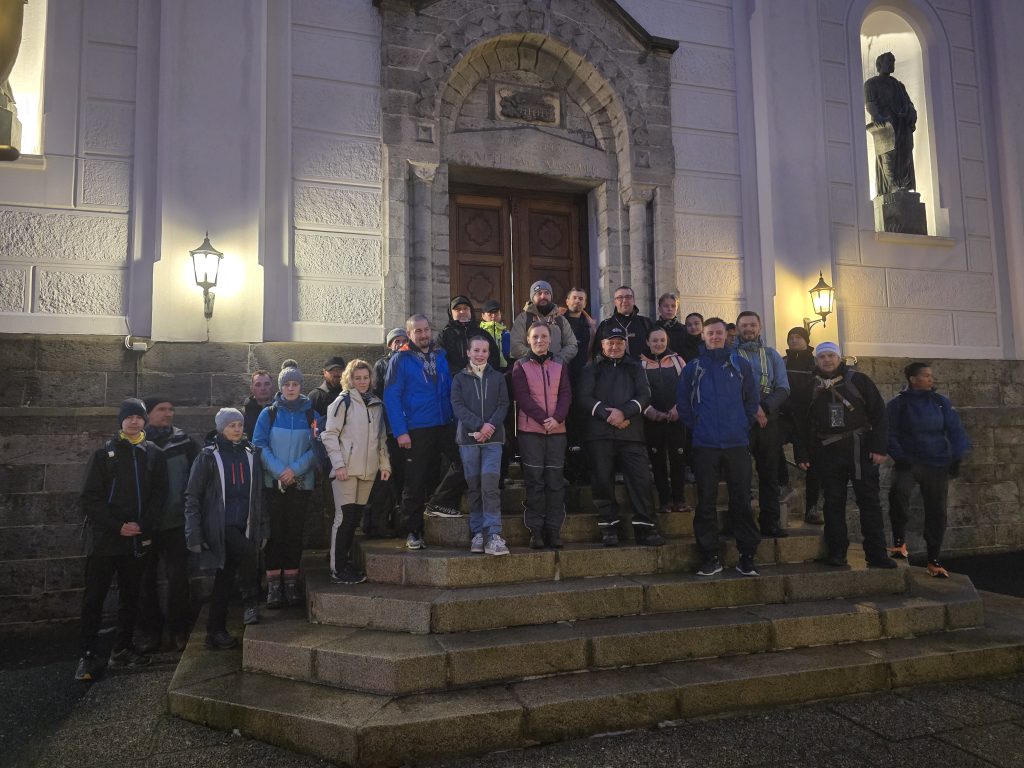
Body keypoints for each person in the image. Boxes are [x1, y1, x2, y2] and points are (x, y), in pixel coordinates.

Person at [75, 398, 168, 681]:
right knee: (94, 598)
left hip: (136, 539)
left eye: (139, 417)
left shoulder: (153, 454)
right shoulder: (104, 454)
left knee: (131, 596)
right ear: (121, 420)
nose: (134, 421)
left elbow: (160, 494)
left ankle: (123, 648)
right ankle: (87, 655)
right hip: (105, 540)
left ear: (144, 420)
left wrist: (143, 525)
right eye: (129, 417)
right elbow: (89, 498)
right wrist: (117, 526)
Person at [795, 342, 895, 569]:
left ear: (839, 358)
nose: (827, 360)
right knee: (833, 503)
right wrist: (802, 453)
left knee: (869, 502)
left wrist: (879, 448)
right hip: (827, 451)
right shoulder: (809, 386)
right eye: (822, 357)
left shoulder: (859, 381)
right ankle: (837, 552)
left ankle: (877, 554)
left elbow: (879, 414)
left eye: (831, 355)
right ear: (816, 360)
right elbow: (801, 423)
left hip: (860, 449)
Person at [677, 319, 761, 577]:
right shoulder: (693, 368)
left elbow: (752, 399)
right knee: (705, 502)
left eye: (719, 333)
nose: (715, 336)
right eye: (710, 333)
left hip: (736, 443)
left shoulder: (740, 365)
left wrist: (742, 425)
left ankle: (747, 556)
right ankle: (710, 556)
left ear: (727, 335)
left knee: (742, 501)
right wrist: (699, 427)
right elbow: (683, 404)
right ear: (703, 336)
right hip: (705, 445)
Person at [184, 408, 267, 650]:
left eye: (239, 425)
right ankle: (250, 601)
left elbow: (259, 495)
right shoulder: (208, 457)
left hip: (246, 523)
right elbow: (192, 495)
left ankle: (215, 631)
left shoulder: (251, 454)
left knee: (224, 577)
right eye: (231, 425)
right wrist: (193, 532)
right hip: (221, 526)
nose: (237, 429)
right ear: (221, 429)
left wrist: (264, 526)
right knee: (248, 552)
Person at [576, 328, 665, 547]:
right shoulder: (591, 368)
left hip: (631, 434)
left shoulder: (635, 367)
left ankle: (645, 527)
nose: (615, 347)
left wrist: (624, 413)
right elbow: (584, 397)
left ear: (625, 344)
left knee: (641, 480)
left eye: (619, 343)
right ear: (602, 344)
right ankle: (609, 527)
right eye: (610, 343)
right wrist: (609, 416)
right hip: (600, 435)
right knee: (602, 482)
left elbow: (644, 395)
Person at [384, 315, 466, 550]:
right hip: (416, 428)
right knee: (415, 480)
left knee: (465, 460)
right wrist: (400, 431)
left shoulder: (440, 355)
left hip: (444, 423)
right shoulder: (400, 359)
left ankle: (439, 501)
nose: (423, 334)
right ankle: (413, 531)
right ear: (409, 334)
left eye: (426, 330)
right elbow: (391, 397)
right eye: (418, 331)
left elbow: (448, 389)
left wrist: (457, 419)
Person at [886, 362, 971, 577]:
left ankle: (934, 558)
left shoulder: (941, 403)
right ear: (913, 380)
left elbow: (955, 430)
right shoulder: (898, 405)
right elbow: (889, 432)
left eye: (931, 375)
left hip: (936, 462)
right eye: (925, 376)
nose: (930, 379)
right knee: (899, 493)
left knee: (936, 511)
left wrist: (957, 457)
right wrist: (899, 456)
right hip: (909, 461)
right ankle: (899, 541)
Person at [135, 396, 198, 654]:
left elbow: (197, 478)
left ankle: (179, 628)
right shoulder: (136, 444)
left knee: (179, 578)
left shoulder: (184, 442)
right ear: (148, 414)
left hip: (176, 522)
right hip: (145, 524)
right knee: (144, 580)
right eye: (161, 409)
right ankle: (150, 630)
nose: (168, 413)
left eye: (171, 409)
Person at [252, 362, 318, 608]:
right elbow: (259, 445)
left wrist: (294, 471)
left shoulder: (312, 415)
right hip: (274, 484)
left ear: (301, 386)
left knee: (294, 533)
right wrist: (280, 471)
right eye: (287, 384)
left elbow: (317, 448)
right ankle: (273, 586)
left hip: (300, 484)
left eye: (295, 384)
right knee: (275, 533)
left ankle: (290, 584)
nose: (291, 388)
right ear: (281, 387)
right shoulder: (268, 414)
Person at [322, 360, 391, 583]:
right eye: (357, 378)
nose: (362, 382)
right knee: (344, 518)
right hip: (346, 470)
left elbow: (381, 438)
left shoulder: (377, 404)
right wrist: (339, 465)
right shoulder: (342, 401)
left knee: (354, 519)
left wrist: (384, 464)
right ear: (349, 379)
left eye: (365, 377)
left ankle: (345, 562)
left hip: (368, 470)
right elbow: (329, 435)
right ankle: (337, 569)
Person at [512, 323, 572, 548]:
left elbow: (566, 394)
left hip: (557, 431)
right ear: (528, 340)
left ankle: (554, 530)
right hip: (531, 432)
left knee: (555, 482)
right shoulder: (520, 366)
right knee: (534, 481)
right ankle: (536, 530)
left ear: (550, 339)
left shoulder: (560, 364)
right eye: (535, 336)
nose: (540, 340)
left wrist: (557, 418)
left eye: (544, 336)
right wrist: (543, 419)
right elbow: (522, 397)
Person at [734, 311, 790, 538]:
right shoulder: (730, 355)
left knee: (769, 474)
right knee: (740, 475)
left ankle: (770, 522)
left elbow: (783, 388)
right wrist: (752, 410)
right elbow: (728, 389)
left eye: (753, 325)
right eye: (744, 325)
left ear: (760, 328)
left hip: (769, 421)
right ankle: (741, 523)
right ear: (738, 328)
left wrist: (764, 408)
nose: (749, 329)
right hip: (741, 421)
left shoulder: (772, 355)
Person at [451, 336, 510, 555]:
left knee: (490, 486)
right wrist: (478, 425)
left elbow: (503, 404)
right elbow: (457, 406)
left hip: (493, 440)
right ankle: (477, 533)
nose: (480, 354)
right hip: (469, 441)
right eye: (476, 350)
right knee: (475, 487)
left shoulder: (498, 377)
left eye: (484, 351)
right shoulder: (459, 378)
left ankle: (493, 534)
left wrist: (489, 427)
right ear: (468, 352)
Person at [365, 327, 408, 538]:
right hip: (388, 428)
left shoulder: (412, 361)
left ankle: (398, 521)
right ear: (389, 345)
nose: (399, 344)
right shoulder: (382, 364)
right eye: (395, 341)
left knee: (402, 477)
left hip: (408, 427)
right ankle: (377, 522)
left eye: (403, 340)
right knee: (386, 477)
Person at [640, 327, 689, 514]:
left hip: (676, 420)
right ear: (647, 342)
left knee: (678, 460)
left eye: (662, 340)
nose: (659, 344)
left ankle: (680, 500)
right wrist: (649, 411)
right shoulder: (640, 364)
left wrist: (679, 408)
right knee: (658, 462)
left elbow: (688, 387)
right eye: (654, 340)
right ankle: (664, 501)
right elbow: (637, 392)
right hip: (652, 422)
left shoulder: (678, 361)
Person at [779, 327, 822, 525]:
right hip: (786, 415)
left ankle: (812, 508)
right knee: (771, 446)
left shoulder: (815, 362)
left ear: (806, 340)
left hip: (809, 418)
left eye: (798, 337)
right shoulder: (782, 362)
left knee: (813, 463)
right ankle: (783, 483)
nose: (794, 340)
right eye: (791, 337)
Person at [558, 287, 597, 483]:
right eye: (574, 298)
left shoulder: (590, 325)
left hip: (582, 379)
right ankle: (564, 468)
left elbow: (592, 353)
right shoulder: (558, 321)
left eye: (581, 298)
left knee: (581, 423)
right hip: (560, 378)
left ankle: (581, 468)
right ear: (567, 301)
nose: (578, 301)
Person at [509, 280, 578, 364]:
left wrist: (557, 360)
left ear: (551, 296)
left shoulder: (560, 320)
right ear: (532, 298)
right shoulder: (523, 319)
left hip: (556, 368)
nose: (543, 296)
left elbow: (572, 345)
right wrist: (534, 358)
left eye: (546, 293)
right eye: (539, 293)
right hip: (530, 368)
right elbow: (515, 345)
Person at [438, 295, 501, 373]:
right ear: (451, 313)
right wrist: (462, 374)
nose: (462, 312)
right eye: (458, 309)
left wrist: (481, 371)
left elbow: (494, 358)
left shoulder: (482, 334)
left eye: (465, 308)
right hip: (455, 378)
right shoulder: (444, 336)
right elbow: (441, 360)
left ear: (470, 311)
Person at [594, 285, 654, 360]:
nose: (624, 300)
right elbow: (597, 352)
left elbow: (656, 348)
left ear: (633, 300)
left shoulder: (645, 323)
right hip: (615, 367)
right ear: (615, 302)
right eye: (620, 298)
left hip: (642, 366)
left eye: (628, 297)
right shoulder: (606, 325)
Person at [478, 299, 511, 371]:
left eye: (496, 313)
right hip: (483, 369)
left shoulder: (506, 333)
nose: (493, 316)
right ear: (483, 315)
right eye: (490, 313)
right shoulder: (478, 333)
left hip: (504, 370)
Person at [655, 293, 689, 359]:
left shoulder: (684, 329)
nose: (670, 309)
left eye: (673, 306)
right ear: (659, 309)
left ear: (677, 309)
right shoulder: (653, 328)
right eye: (666, 306)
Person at [243, 369, 274, 440]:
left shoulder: (281, 410)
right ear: (251, 388)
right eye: (258, 385)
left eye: (267, 384)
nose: (263, 388)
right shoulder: (244, 413)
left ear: (272, 386)